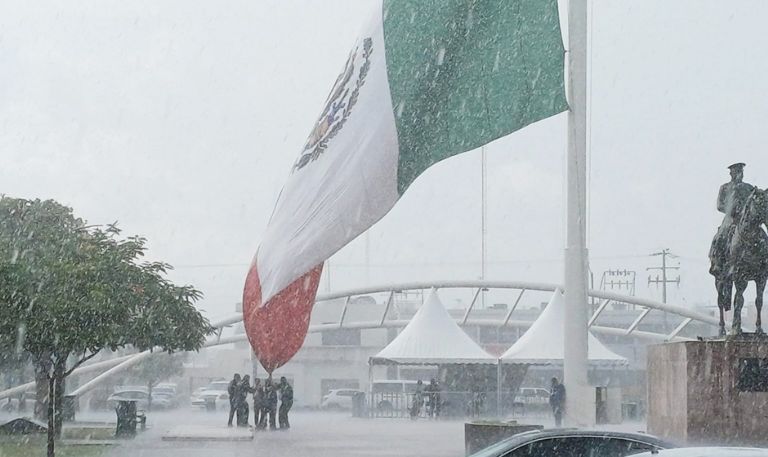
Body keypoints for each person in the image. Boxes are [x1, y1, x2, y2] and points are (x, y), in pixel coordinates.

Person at [710, 162, 755, 279]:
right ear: (731, 173)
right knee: (719, 237)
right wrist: (732, 209)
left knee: (761, 235)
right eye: (737, 171)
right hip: (730, 219)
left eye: (741, 171)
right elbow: (719, 205)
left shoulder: (749, 188)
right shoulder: (725, 187)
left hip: (746, 220)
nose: (740, 174)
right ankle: (717, 262)